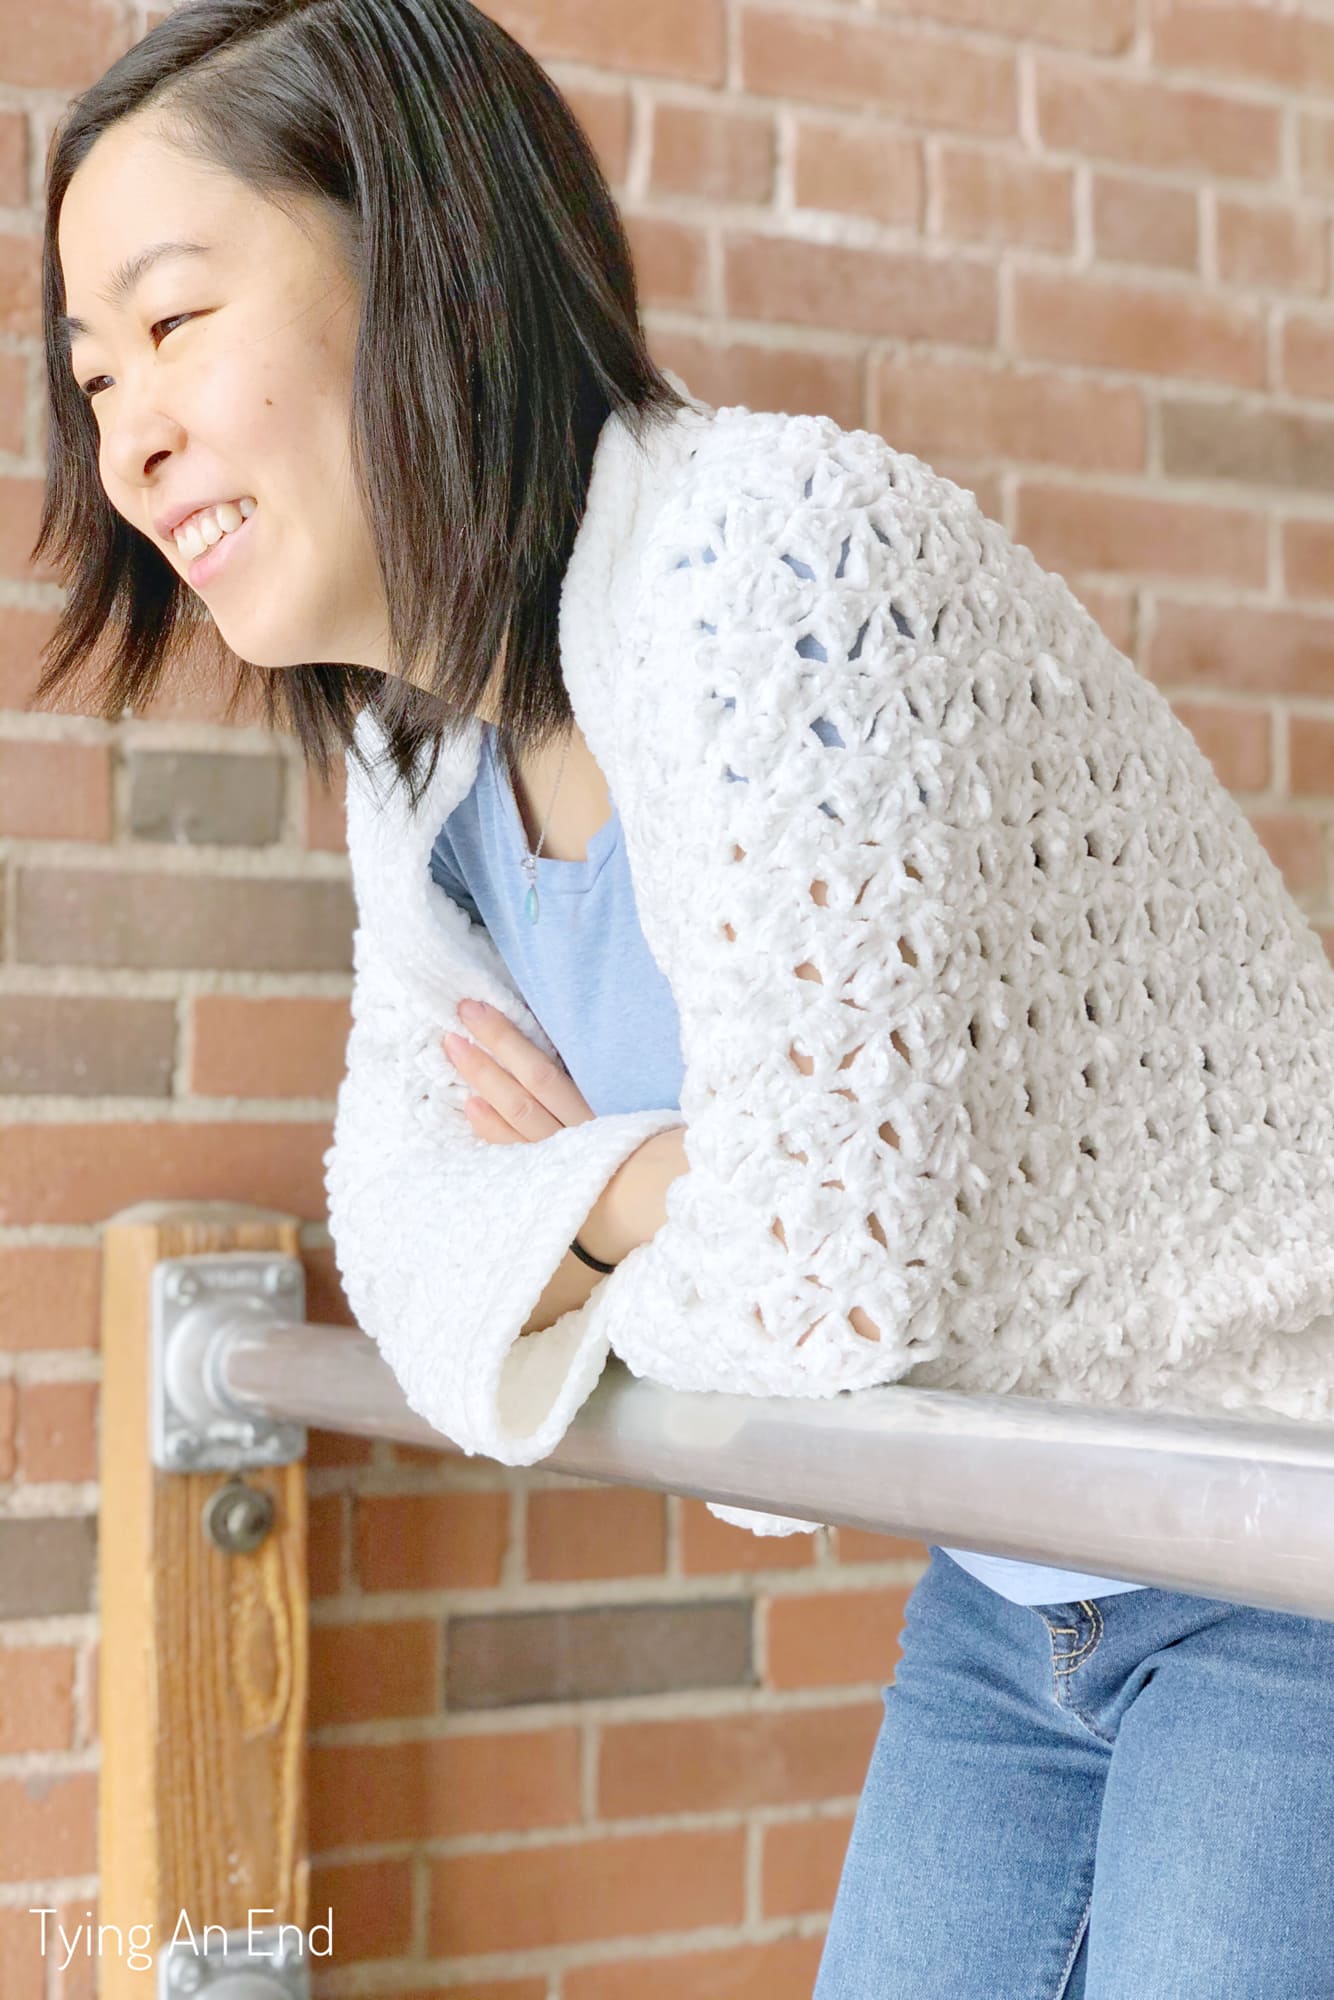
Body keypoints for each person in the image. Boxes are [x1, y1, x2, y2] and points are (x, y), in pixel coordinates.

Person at [33, 2, 1334, 1993]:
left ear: (422, 260)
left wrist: (576, 1189)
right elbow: (402, 1238)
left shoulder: (766, 556)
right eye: (88, 368)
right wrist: (667, 1180)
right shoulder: (422, 764)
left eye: (176, 323)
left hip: (1279, 1537)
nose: (122, 436)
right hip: (1014, 1574)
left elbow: (819, 1301)